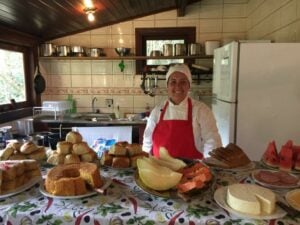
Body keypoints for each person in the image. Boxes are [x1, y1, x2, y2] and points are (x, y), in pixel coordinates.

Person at [142, 63, 222, 159]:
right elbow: (147, 140)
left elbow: (212, 141)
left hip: (191, 170)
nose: (178, 86)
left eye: (183, 82)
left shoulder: (201, 110)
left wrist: (208, 166)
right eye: (173, 82)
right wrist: (144, 161)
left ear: (189, 85)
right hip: (161, 169)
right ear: (167, 86)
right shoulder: (157, 111)